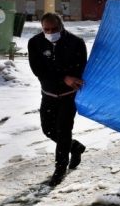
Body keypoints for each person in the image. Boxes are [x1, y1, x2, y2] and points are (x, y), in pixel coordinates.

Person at [28, 13, 87, 186]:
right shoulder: (35, 43)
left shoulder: (76, 43)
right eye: (46, 29)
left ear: (62, 26)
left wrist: (71, 78)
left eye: (54, 29)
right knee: (48, 130)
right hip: (48, 95)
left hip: (68, 97)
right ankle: (75, 147)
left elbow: (80, 67)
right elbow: (39, 70)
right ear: (42, 28)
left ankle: (60, 170)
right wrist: (63, 77)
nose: (50, 32)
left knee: (63, 132)